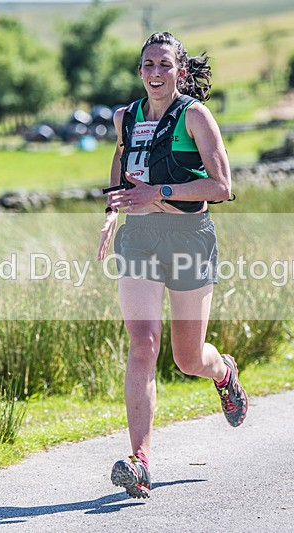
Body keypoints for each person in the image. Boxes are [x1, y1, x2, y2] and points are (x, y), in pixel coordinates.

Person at [96, 31, 248, 499]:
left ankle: (222, 372)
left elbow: (222, 186)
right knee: (142, 342)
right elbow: (121, 166)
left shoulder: (196, 116)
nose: (156, 73)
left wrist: (158, 192)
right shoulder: (127, 117)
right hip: (139, 237)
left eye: (165, 65)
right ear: (139, 71)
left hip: (188, 237)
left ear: (180, 71)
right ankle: (140, 460)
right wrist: (111, 214)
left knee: (186, 358)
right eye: (148, 66)